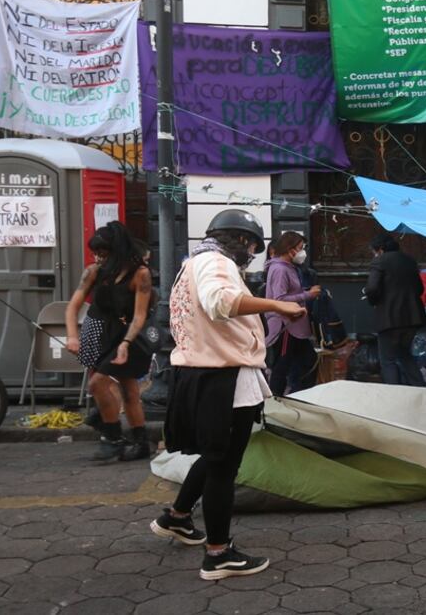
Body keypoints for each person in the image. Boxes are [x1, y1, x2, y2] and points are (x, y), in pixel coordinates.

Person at [149, 209, 306, 580]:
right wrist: (276, 304)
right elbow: (221, 303)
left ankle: (178, 516)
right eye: (251, 244)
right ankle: (218, 554)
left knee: (215, 455)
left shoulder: (196, 262)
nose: (251, 252)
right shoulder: (215, 262)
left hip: (206, 372)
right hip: (223, 377)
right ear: (238, 239)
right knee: (224, 467)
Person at [65, 221, 154, 461]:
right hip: (97, 330)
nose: (98, 258)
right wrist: (73, 336)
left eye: (103, 253)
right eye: (96, 253)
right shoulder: (94, 271)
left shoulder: (141, 274)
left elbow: (139, 316)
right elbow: (73, 306)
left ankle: (113, 438)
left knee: (99, 384)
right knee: (126, 390)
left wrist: (125, 344)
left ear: (117, 251)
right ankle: (139, 441)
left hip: (126, 335)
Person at [263, 231, 321, 395]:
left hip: (295, 324)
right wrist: (307, 295)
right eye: (300, 248)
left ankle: (298, 395)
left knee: (306, 360)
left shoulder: (288, 267)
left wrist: (306, 292)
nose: (303, 252)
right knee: (283, 364)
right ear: (290, 249)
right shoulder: (280, 269)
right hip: (286, 325)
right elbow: (280, 298)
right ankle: (276, 398)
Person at [364, 233, 426, 385]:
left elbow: (371, 288)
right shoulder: (409, 261)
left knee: (388, 360)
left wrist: (374, 300)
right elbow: (419, 288)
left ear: (379, 249)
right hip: (413, 318)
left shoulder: (380, 261)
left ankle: (393, 395)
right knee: (405, 355)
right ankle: (421, 389)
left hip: (389, 319)